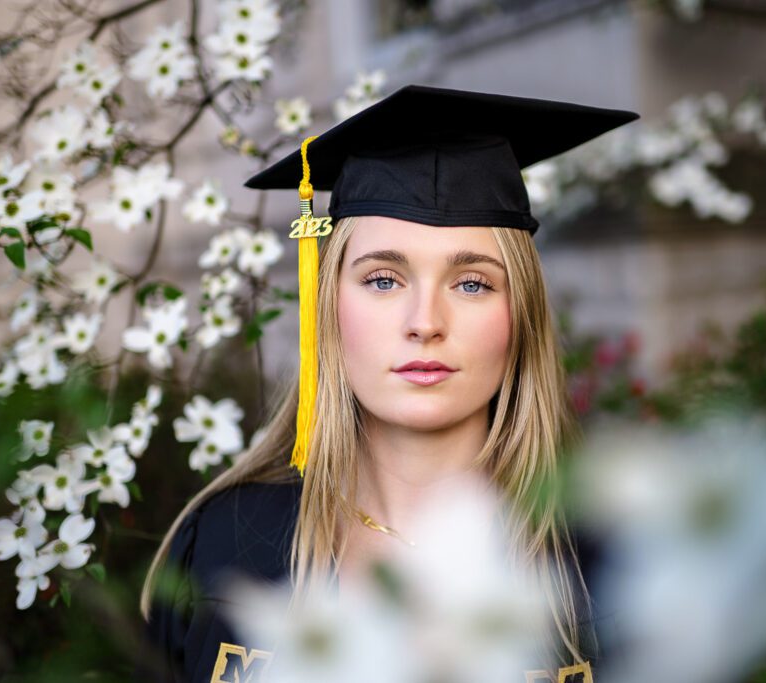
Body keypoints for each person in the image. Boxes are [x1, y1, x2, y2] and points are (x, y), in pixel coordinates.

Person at [139, 84, 638, 682]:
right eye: (382, 280)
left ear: (521, 314)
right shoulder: (227, 545)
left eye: (472, 283)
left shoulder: (607, 566)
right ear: (328, 307)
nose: (425, 322)